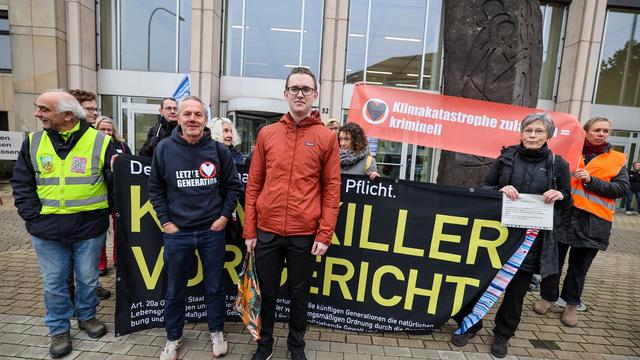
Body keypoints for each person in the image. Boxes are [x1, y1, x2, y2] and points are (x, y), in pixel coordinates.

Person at [451, 113, 572, 358]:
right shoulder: (506, 159)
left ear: (548, 135)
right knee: (480, 283)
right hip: (498, 237)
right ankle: (469, 324)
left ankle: (503, 335)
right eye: (528, 130)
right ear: (521, 133)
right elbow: (484, 188)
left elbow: (568, 200)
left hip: (531, 242)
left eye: (538, 131)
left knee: (516, 293)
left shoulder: (558, 165)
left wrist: (560, 195)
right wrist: (500, 190)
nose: (532, 135)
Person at [243, 67, 341, 360]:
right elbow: (254, 184)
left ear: (315, 95)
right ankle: (265, 346)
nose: (300, 94)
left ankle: (296, 347)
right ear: (285, 94)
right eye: (295, 88)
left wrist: (324, 233)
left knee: (300, 296)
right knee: (268, 294)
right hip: (268, 231)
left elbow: (331, 190)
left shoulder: (326, 138)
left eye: (306, 89)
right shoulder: (267, 134)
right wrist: (250, 230)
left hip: (305, 234)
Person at [10, 90, 117, 358]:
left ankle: (87, 317)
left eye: (44, 109)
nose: (38, 114)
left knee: (89, 279)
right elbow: (22, 183)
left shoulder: (101, 142)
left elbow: (117, 185)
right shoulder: (33, 142)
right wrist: (32, 215)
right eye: (38, 108)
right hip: (46, 230)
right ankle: (58, 329)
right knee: (54, 283)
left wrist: (108, 214)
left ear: (68, 115)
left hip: (89, 229)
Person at [149, 96, 243, 360]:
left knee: (214, 286)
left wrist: (224, 217)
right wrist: (166, 222)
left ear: (205, 119)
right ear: (178, 117)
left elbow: (234, 187)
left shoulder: (219, 151)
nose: (192, 119)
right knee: (175, 289)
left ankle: (216, 331)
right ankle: (173, 337)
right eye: (187, 113)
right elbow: (155, 189)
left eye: (198, 115)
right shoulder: (165, 148)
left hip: (212, 231)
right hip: (178, 233)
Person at [534, 116, 629, 327]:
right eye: (597, 130)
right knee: (553, 263)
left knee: (579, 268)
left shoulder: (617, 159)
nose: (601, 134)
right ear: (586, 131)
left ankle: (570, 305)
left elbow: (622, 189)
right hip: (563, 216)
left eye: (605, 130)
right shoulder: (569, 152)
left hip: (593, 222)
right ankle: (547, 297)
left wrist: (591, 180)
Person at [95, 116, 131, 276]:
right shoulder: (92, 147)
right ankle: (100, 263)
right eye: (102, 129)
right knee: (100, 232)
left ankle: (119, 259)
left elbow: (131, 165)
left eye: (109, 129)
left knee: (120, 230)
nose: (106, 132)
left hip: (118, 195)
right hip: (99, 196)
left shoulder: (122, 146)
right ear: (96, 129)